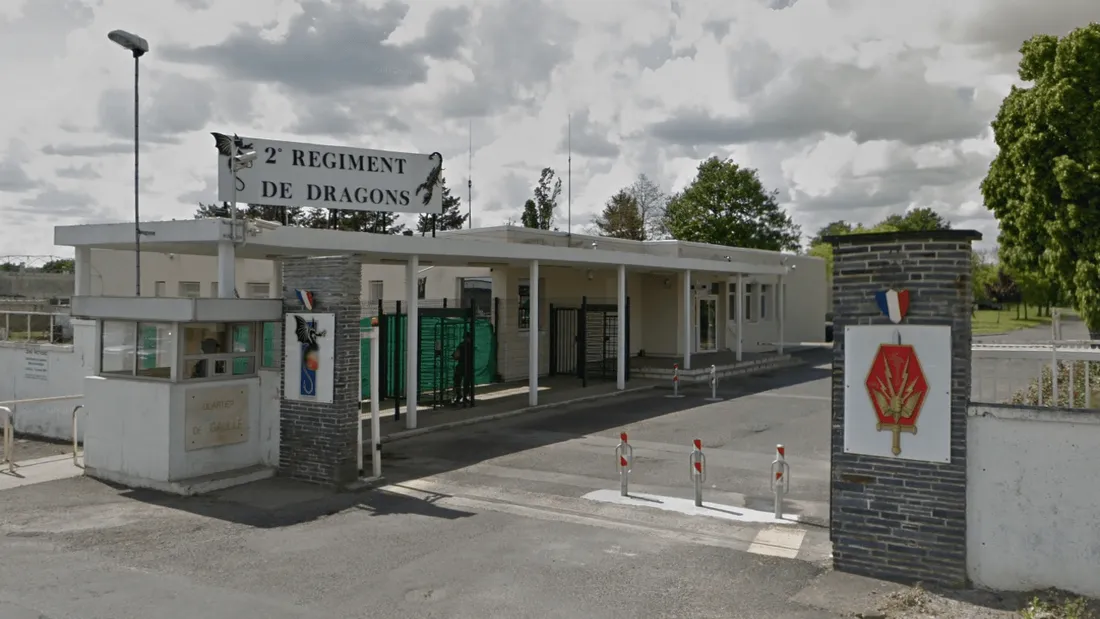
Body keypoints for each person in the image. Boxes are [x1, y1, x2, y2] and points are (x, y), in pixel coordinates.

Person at [452, 332, 473, 407]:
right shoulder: (471, 346)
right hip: (468, 367)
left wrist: (457, 357)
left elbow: (455, 356)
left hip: (461, 366)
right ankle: (465, 397)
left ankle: (458, 396)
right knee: (467, 383)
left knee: (457, 381)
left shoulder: (461, 345)